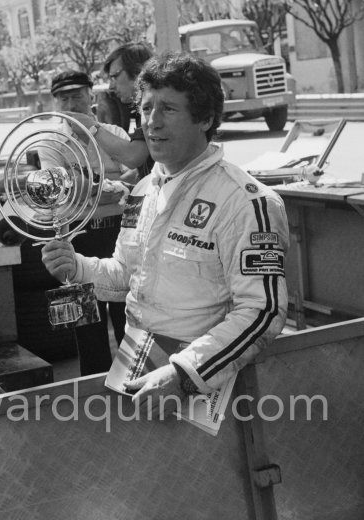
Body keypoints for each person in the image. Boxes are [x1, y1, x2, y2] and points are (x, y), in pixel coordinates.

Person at [42, 52, 289, 415]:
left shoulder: (245, 202)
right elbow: (125, 276)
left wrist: (184, 373)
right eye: (145, 109)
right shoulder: (143, 191)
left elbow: (263, 310)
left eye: (168, 109)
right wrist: (76, 268)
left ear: (205, 118)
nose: (151, 123)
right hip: (137, 368)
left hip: (204, 389)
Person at [39, 69, 132, 375]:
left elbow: (134, 176)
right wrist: (111, 184)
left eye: (77, 95)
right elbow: (62, 190)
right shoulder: (50, 143)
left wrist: (87, 185)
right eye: (63, 97)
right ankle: (96, 387)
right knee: (86, 325)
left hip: (120, 236)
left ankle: (134, 380)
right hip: (76, 237)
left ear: (92, 97)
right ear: (55, 104)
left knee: (128, 316)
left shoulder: (114, 135)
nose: (71, 103)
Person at [67, 42, 154, 181]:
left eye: (115, 76)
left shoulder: (154, 110)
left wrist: (91, 127)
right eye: (64, 99)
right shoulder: (141, 111)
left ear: (138, 72)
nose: (111, 86)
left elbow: (132, 157)